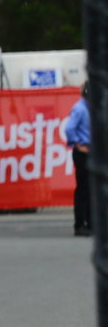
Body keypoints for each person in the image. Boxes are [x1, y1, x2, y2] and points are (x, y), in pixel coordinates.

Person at [68, 83, 92, 236]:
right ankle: (80, 224)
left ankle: (91, 223)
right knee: (83, 189)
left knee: (92, 190)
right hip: (83, 152)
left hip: (93, 152)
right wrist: (78, 144)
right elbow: (69, 128)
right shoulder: (80, 108)